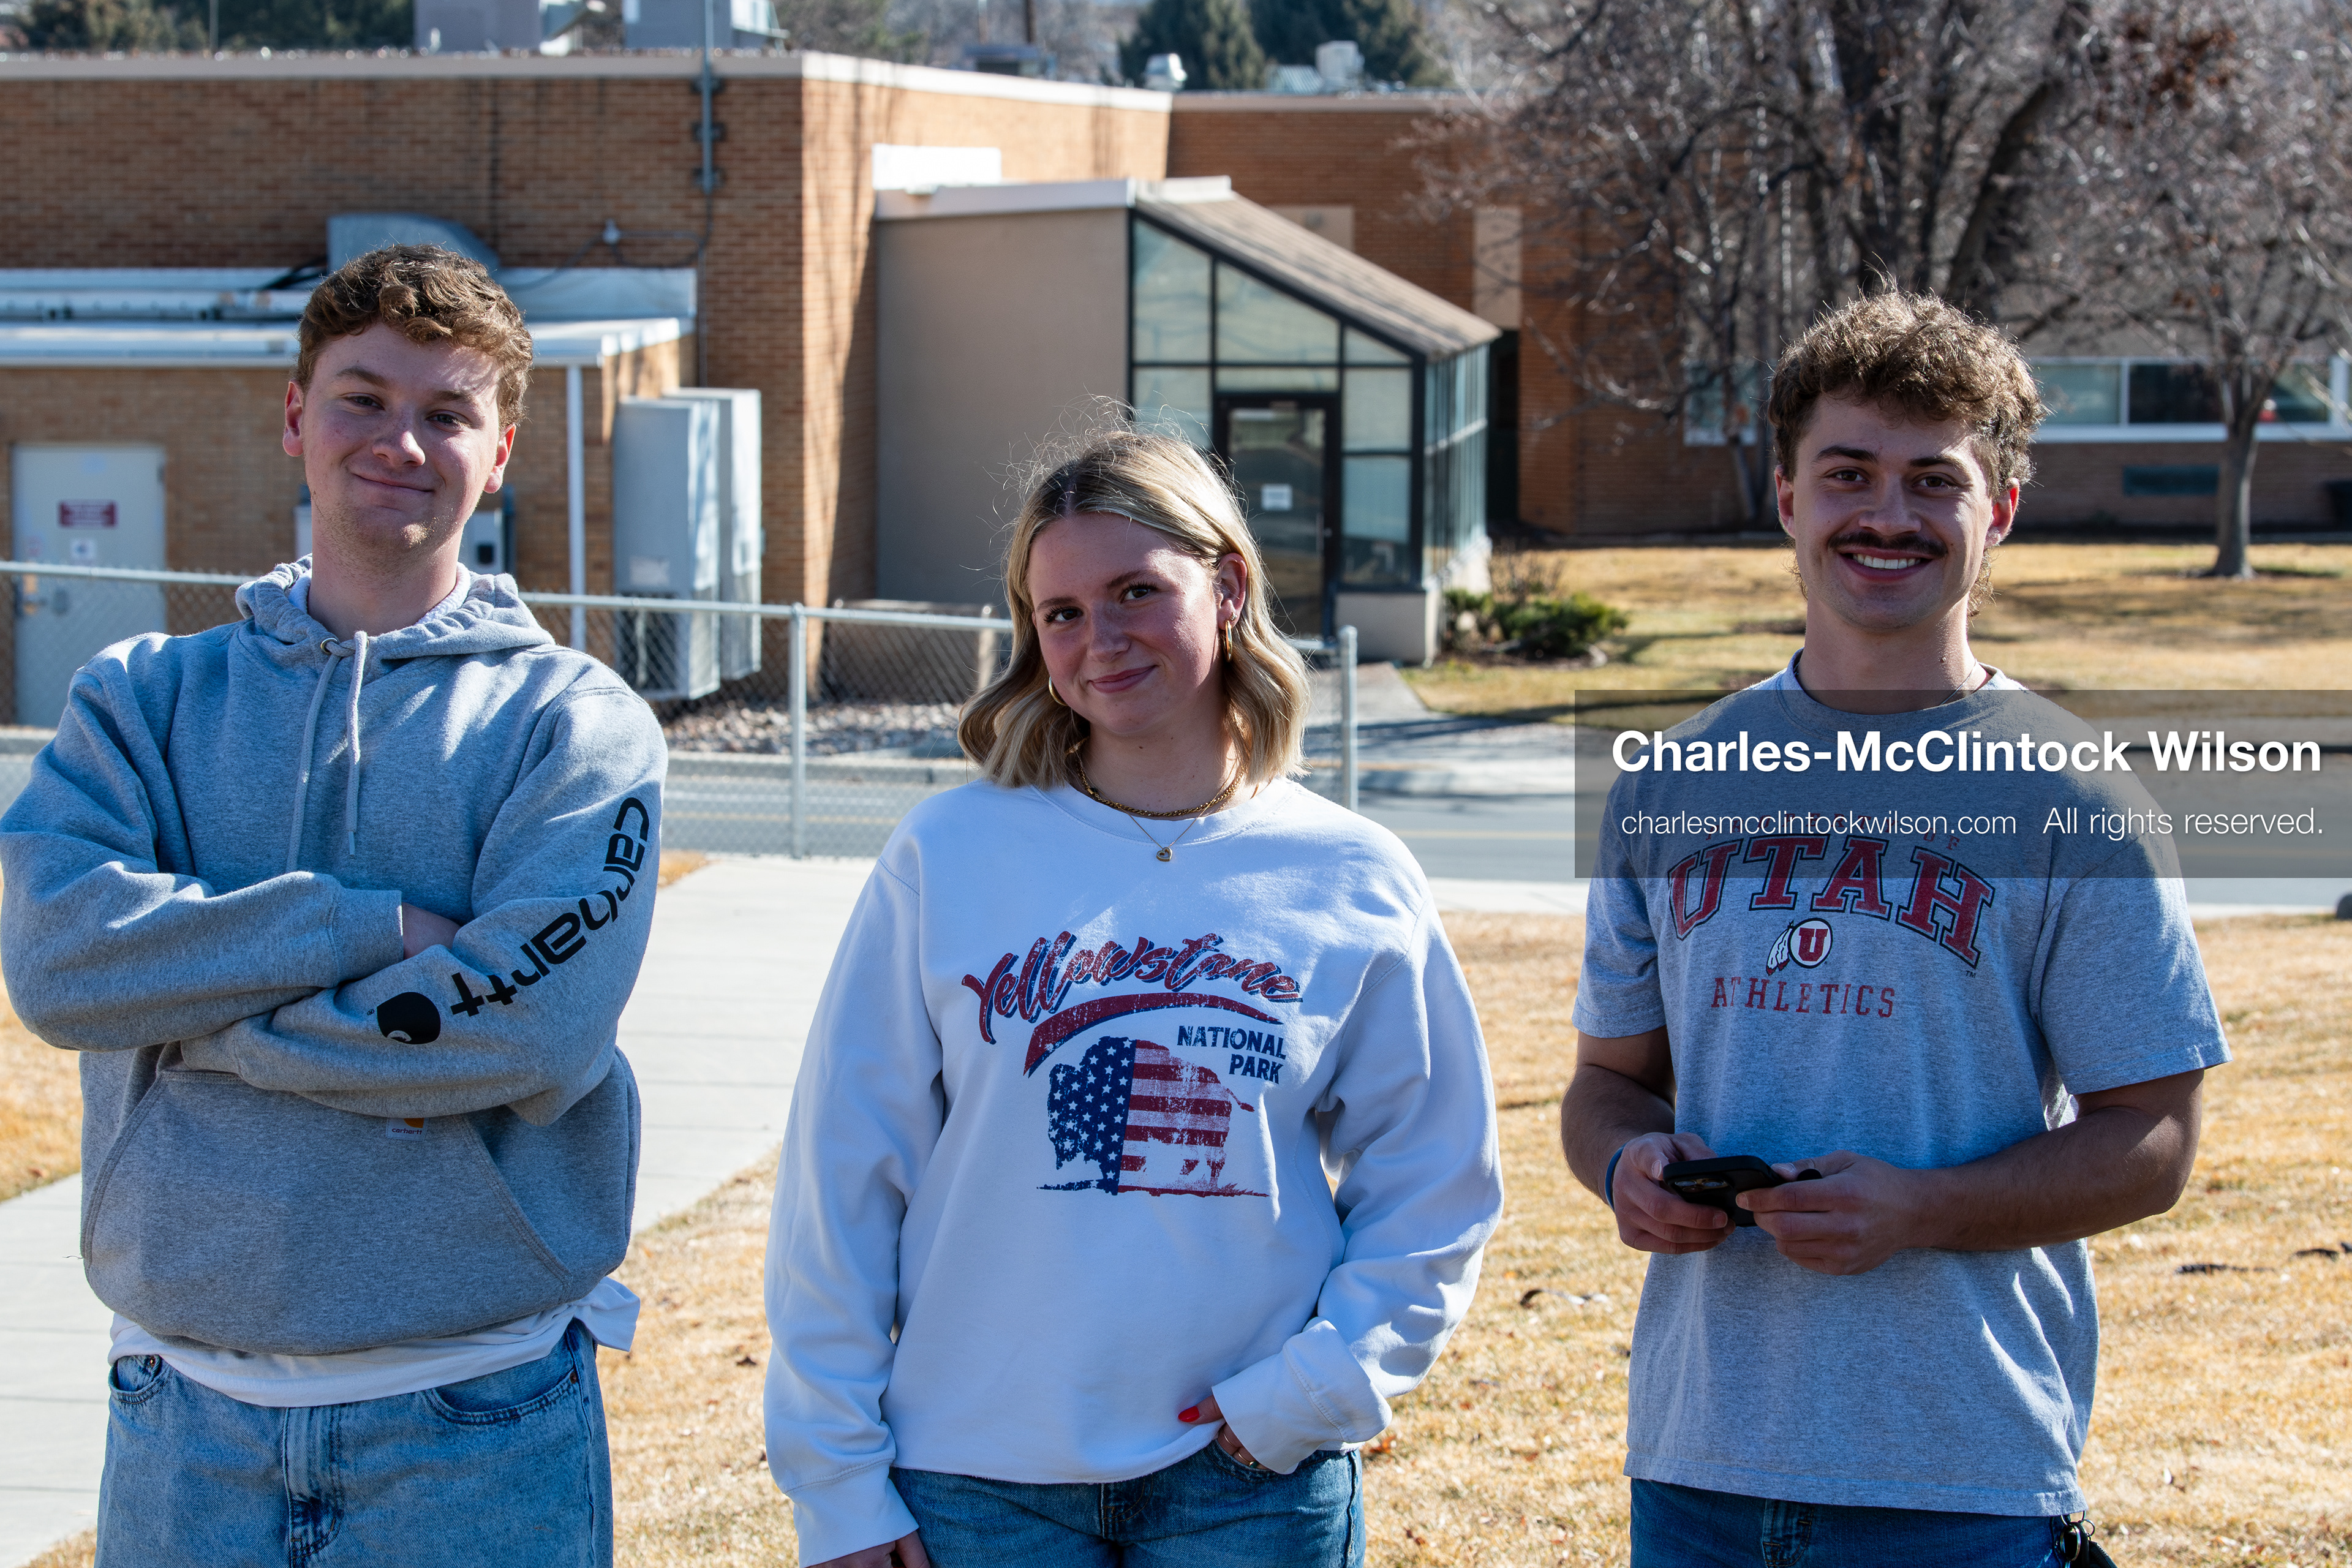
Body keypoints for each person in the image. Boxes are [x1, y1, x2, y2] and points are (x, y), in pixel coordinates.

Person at [0, 245, 666, 1566]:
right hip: (185, 1430)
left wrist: (195, 1027)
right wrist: (372, 929)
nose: (400, 440)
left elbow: (529, 1032)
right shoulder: (144, 699)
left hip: (479, 1421)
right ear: (296, 417)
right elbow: (60, 965)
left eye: (446, 411)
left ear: (503, 449)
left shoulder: (573, 726)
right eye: (363, 398)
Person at [1562, 292, 2230, 1564]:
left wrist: (1920, 1206)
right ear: (1787, 498)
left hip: (1958, 1476)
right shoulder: (1671, 780)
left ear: (2003, 511)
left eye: (1936, 479)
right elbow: (1605, 1085)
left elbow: (2154, 1139)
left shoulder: (2073, 796)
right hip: (1696, 1460)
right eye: (1850, 473)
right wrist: (1628, 1169)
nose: (1888, 513)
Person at [762, 429, 1504, 1568]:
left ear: (1229, 585)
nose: (1098, 639)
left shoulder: (1350, 874)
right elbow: (842, 1178)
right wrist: (839, 1485)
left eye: (1136, 592)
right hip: (976, 1479)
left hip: (1249, 1481)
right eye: (1059, 611)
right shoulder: (951, 853)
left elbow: (1436, 1179)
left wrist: (1315, 1390)